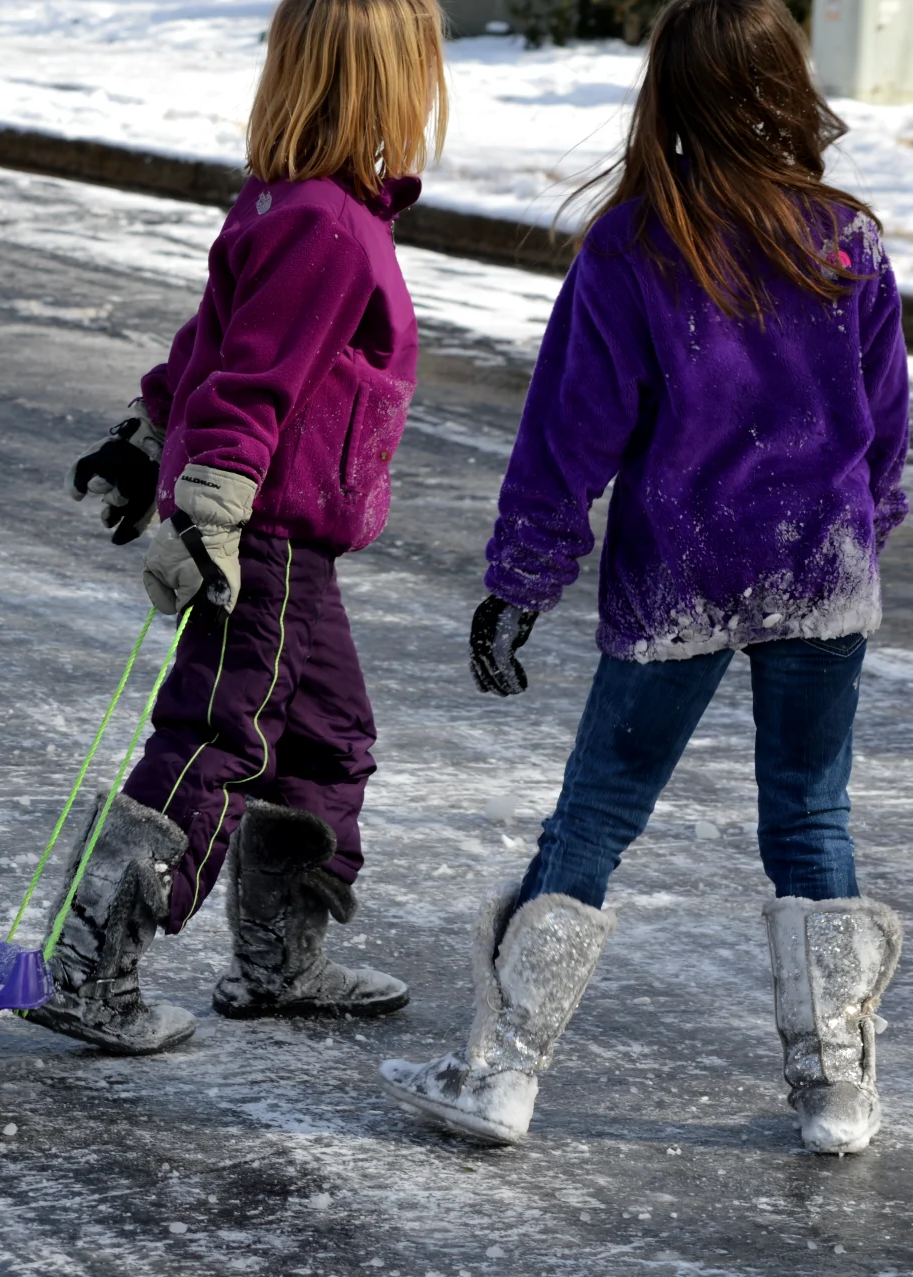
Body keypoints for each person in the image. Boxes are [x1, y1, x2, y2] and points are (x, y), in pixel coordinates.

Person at [380, 0, 906, 1154]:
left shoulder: (634, 247)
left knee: (600, 811)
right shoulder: (845, 243)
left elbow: (570, 434)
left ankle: (504, 1070)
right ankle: (835, 1088)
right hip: (821, 571)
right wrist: (862, 528)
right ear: (786, 87)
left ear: (670, 91)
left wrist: (522, 580)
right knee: (810, 812)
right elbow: (886, 428)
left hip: (682, 580)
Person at [31, 0, 448, 1055]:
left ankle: (278, 959)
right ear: (389, 84)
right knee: (217, 734)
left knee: (328, 736)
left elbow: (211, 339)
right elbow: (252, 377)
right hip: (262, 530)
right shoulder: (326, 224)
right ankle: (90, 964)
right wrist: (209, 498)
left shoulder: (297, 204)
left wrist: (147, 433)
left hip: (292, 538)